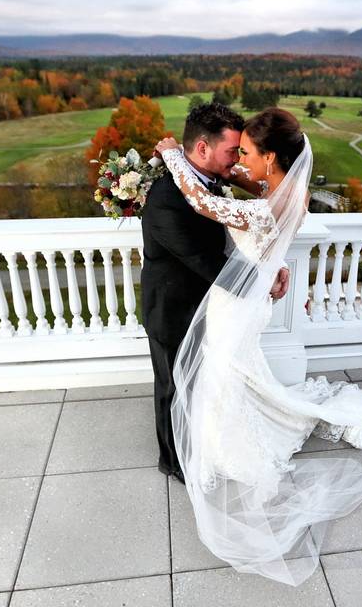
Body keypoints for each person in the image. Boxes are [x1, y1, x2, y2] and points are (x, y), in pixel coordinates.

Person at [153, 107, 362, 586]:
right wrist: (274, 264)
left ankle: (223, 445)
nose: (240, 161)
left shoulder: (265, 205)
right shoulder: (289, 191)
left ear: (270, 156)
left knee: (224, 369)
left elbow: (202, 203)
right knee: (231, 368)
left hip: (237, 306)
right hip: (252, 298)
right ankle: (224, 430)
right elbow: (258, 206)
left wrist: (172, 156)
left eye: (247, 153)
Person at [140, 103, 289, 485]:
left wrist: (270, 267)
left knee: (203, 383)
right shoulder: (167, 197)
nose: (236, 161)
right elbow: (205, 260)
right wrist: (263, 278)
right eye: (231, 152)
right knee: (173, 386)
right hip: (172, 307)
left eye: (242, 152)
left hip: (211, 305)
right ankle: (173, 461)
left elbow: (226, 239)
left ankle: (204, 444)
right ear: (202, 149)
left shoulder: (210, 181)